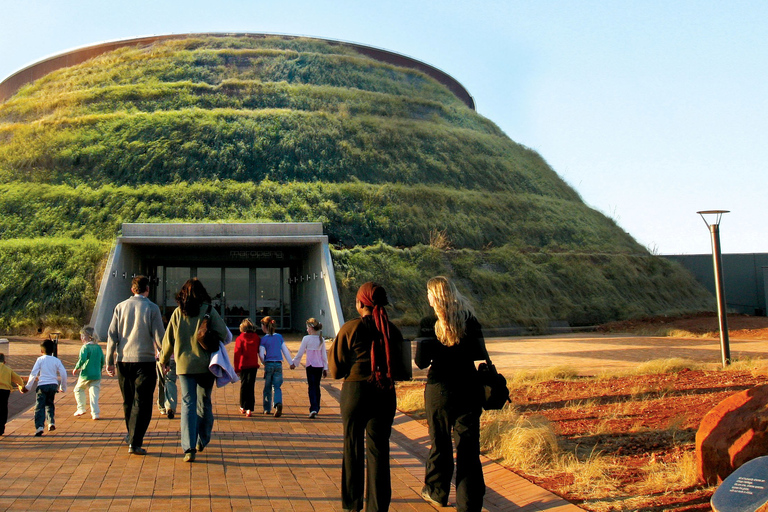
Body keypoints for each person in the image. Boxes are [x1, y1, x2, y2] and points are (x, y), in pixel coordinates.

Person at [330, 281, 408, 512]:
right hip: (384, 393)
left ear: (361, 303)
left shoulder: (350, 329)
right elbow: (401, 369)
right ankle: (377, 506)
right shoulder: (392, 330)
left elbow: (336, 370)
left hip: (355, 391)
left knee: (352, 446)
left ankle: (352, 505)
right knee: (379, 450)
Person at [415, 276, 489, 511]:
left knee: (440, 443)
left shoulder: (428, 323)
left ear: (435, 296)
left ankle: (437, 491)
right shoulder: (470, 320)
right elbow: (480, 353)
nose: (426, 297)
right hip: (468, 387)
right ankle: (469, 502)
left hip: (439, 389)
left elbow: (421, 362)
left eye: (429, 293)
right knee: (468, 448)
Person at [160, 278, 231, 462]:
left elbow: (168, 340)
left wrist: (164, 359)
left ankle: (188, 447)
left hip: (184, 365)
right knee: (204, 402)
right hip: (206, 365)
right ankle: (202, 439)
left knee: (187, 404)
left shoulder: (177, 313)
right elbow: (223, 334)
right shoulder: (208, 311)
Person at [106, 275, 165, 455]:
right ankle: (135, 441)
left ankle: (131, 434)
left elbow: (112, 335)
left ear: (132, 289)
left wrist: (109, 361)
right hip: (145, 360)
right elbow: (159, 337)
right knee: (143, 402)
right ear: (147, 289)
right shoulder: (152, 308)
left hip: (124, 360)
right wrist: (165, 359)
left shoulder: (120, 307)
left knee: (128, 400)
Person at [25, 339, 68, 436]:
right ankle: (51, 422)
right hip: (53, 385)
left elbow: (34, 373)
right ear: (53, 350)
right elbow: (63, 373)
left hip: (42, 385)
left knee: (39, 406)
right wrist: (63, 386)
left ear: (41, 351)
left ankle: (40, 426)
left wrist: (28, 386)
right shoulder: (56, 360)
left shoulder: (40, 360)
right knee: (49, 404)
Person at [292, 317, 328, 418]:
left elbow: (300, 353)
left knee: (311, 386)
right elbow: (324, 355)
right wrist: (325, 368)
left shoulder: (306, 339)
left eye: (307, 328)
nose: (307, 330)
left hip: (310, 366)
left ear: (311, 328)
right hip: (319, 366)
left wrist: (294, 363)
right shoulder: (321, 339)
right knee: (317, 386)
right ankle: (316, 407)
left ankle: (313, 408)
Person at [258, 316, 294, 417]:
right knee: (277, 386)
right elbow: (285, 351)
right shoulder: (279, 337)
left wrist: (263, 362)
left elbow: (261, 354)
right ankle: (278, 403)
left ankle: (267, 408)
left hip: (269, 364)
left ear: (264, 327)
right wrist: (291, 363)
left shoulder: (263, 340)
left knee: (267, 387)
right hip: (278, 363)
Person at [73, 326, 105, 420]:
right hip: (96, 374)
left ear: (86, 337)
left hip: (86, 374)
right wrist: (99, 369)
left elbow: (82, 359)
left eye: (82, 336)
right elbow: (102, 360)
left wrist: (76, 368)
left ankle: (81, 408)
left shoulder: (85, 347)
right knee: (94, 394)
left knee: (78, 389)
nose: (81, 338)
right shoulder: (98, 347)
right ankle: (95, 413)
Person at [234, 318, 261, 417]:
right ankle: (250, 408)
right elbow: (259, 350)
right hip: (253, 365)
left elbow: (237, 354)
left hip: (243, 365)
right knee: (251, 386)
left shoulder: (240, 339)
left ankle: (243, 406)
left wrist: (236, 369)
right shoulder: (257, 338)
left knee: (243, 386)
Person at [0, 353, 28, 435]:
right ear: (4, 362)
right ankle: (1, 428)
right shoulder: (8, 369)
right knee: (3, 409)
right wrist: (21, 387)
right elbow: (18, 379)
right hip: (4, 391)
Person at [156, 345, 177, 420]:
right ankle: (169, 406)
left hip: (162, 357)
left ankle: (163, 406)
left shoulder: (161, 332)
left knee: (162, 382)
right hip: (174, 357)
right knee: (170, 382)